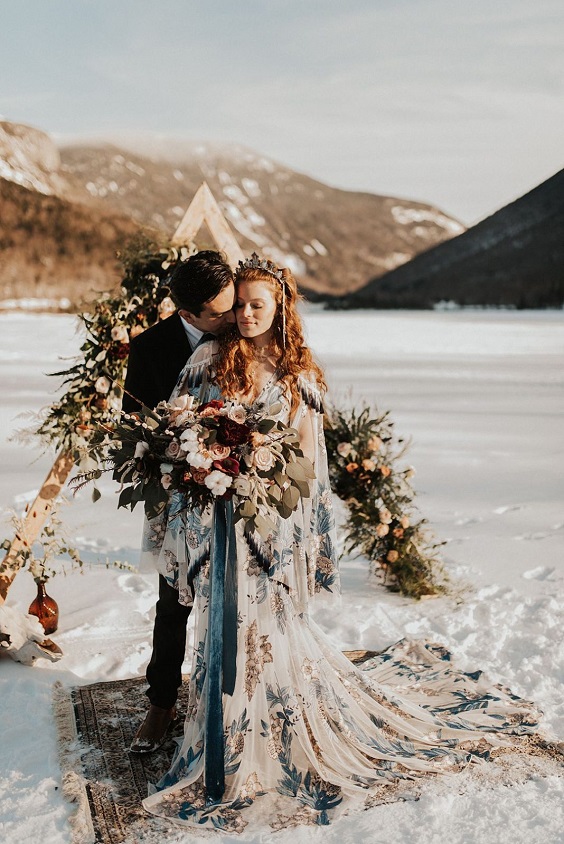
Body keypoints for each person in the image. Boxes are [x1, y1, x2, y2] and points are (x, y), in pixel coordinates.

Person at [140, 255, 542, 832]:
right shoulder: (208, 356)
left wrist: (264, 477)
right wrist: (204, 463)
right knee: (221, 625)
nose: (247, 315)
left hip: (270, 521)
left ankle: (272, 721)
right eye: (241, 305)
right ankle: (222, 729)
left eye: (259, 305)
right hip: (220, 520)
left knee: (267, 628)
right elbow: (181, 426)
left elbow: (307, 459)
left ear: (281, 309)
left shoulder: (299, 371)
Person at [124, 250, 236, 753]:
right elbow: (134, 432)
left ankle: (237, 699)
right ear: (188, 313)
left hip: (239, 491)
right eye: (218, 312)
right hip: (179, 498)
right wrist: (178, 458)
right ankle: (162, 701)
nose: (231, 318)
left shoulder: (244, 334)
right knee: (173, 602)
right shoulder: (150, 348)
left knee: (240, 602)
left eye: (232, 304)